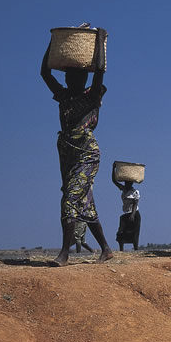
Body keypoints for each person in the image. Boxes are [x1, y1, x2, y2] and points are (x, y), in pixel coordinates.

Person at [40, 28, 113, 266]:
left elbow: (100, 70)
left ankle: (64, 253)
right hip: (67, 151)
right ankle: (106, 249)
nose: (73, 80)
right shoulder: (62, 95)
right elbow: (44, 72)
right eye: (70, 76)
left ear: (84, 79)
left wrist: (100, 41)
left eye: (79, 77)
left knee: (70, 199)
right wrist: (53, 45)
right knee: (85, 204)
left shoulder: (91, 96)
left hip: (87, 153)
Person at [112, 166, 141, 251]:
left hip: (135, 214)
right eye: (126, 183)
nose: (126, 184)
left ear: (132, 183)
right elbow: (114, 181)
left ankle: (136, 249)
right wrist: (113, 168)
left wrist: (132, 214)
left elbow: (135, 204)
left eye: (128, 183)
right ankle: (121, 249)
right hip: (126, 213)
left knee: (135, 232)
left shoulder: (135, 192)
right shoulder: (123, 189)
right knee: (121, 231)